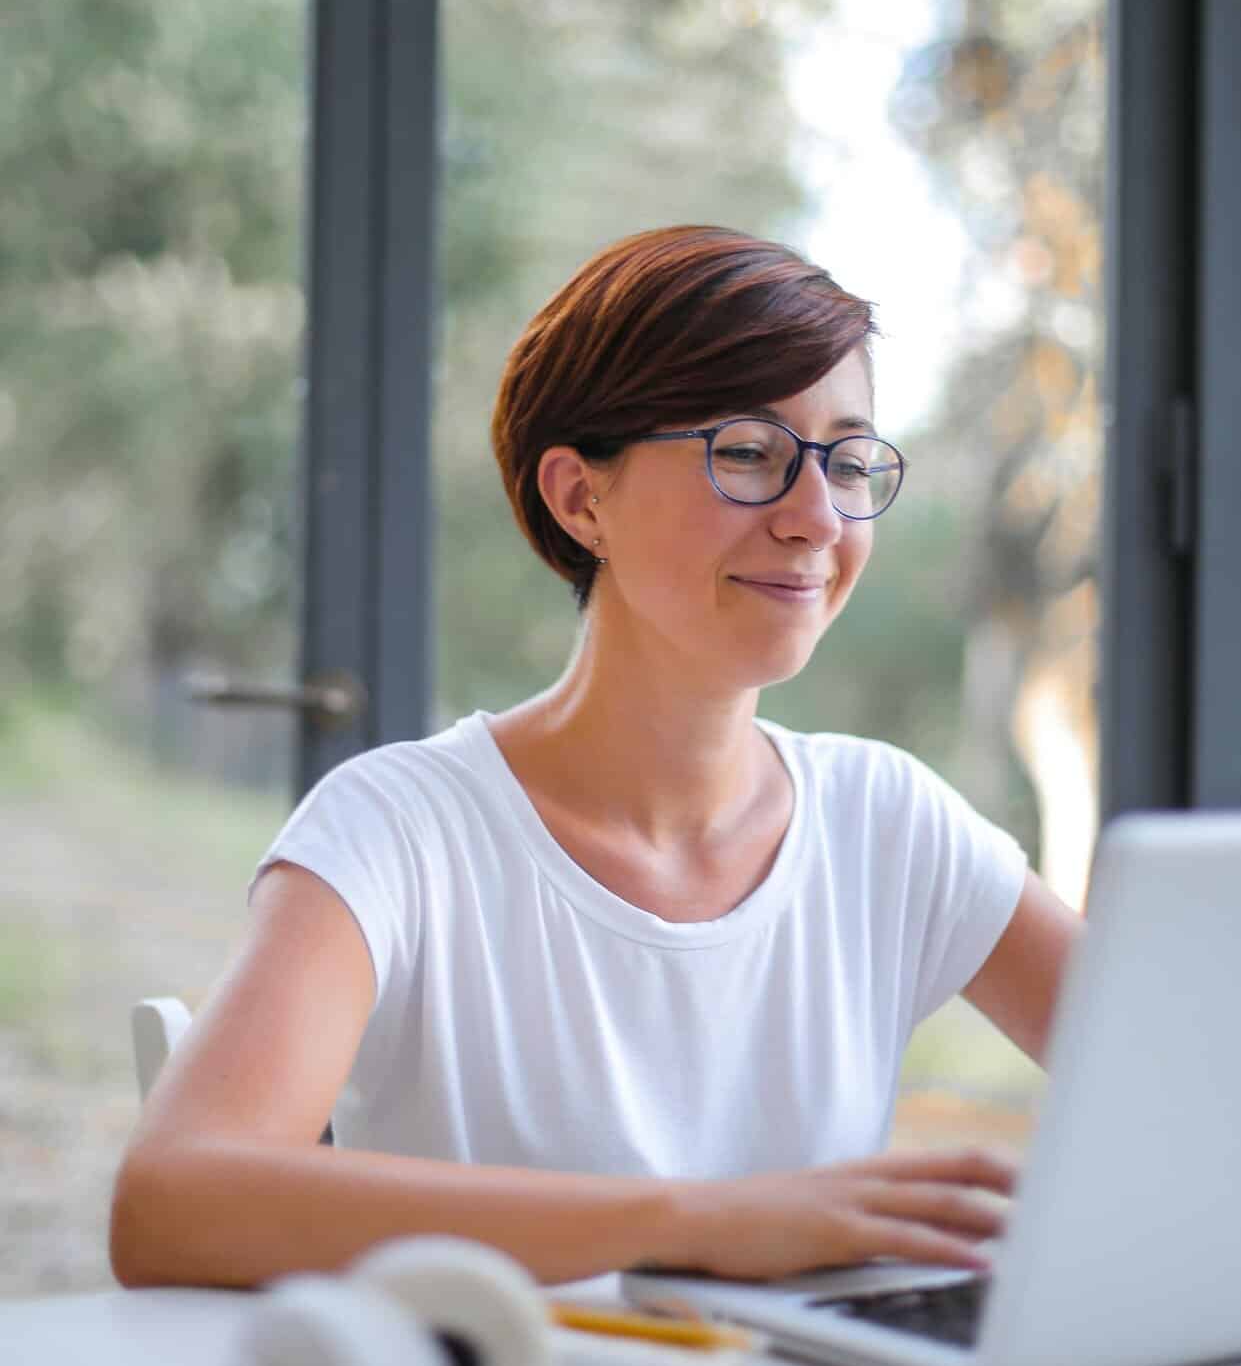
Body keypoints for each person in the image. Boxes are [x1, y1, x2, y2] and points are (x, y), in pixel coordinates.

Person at [110, 225, 1083, 1291]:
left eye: (847, 462)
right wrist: (695, 1220)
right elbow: (173, 1203)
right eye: (749, 453)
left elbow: (1199, 1078)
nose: (816, 519)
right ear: (582, 498)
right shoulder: (399, 828)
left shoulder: (888, 820)